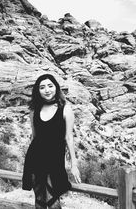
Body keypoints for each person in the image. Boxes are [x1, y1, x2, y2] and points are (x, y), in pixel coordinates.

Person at [22, 73, 81, 209]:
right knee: (39, 200)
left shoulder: (65, 109)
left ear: (56, 87)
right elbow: (34, 137)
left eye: (50, 86)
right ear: (38, 91)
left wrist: (73, 164)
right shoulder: (34, 111)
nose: (47, 90)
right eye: (42, 87)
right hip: (35, 159)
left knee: (52, 200)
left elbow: (69, 138)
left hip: (54, 160)